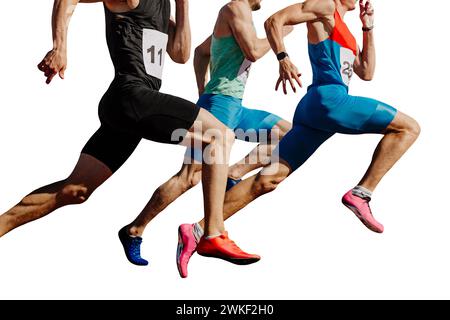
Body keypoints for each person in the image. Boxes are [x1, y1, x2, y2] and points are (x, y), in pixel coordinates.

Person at [0, 0, 257, 265]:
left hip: (132, 108)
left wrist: (183, 4)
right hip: (131, 96)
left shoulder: (162, 6)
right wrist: (60, 46)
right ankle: (213, 233)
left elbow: (180, 54)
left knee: (75, 190)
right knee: (219, 135)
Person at [176, 0, 421, 274]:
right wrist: (283, 58)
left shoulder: (346, 28)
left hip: (315, 113)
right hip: (330, 101)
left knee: (267, 181)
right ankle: (361, 193)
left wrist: (368, 27)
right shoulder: (325, 6)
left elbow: (367, 71)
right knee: (408, 128)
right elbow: (274, 21)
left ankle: (197, 231)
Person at [119, 0, 293, 278]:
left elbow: (201, 53)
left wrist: (202, 92)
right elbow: (254, 50)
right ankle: (134, 230)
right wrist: (284, 29)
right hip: (221, 106)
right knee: (189, 177)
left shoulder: (241, 15)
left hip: (233, 106)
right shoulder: (236, 8)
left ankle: (235, 172)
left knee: (288, 134)